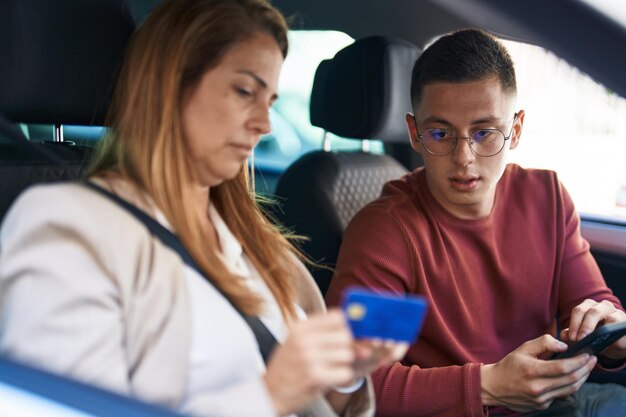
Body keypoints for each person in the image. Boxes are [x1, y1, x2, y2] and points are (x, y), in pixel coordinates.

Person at [0, 1, 407, 416]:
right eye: (245, 91)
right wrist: (270, 394)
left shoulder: (257, 242)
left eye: (270, 100)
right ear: (167, 86)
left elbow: (315, 402)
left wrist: (346, 371)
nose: (265, 124)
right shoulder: (66, 229)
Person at [325, 28, 626, 417]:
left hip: (558, 404)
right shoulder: (392, 231)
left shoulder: (545, 197)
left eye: (484, 132)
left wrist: (610, 330)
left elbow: (590, 306)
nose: (463, 157)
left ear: (514, 130)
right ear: (415, 134)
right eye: (440, 133)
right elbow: (354, 380)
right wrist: (487, 386)